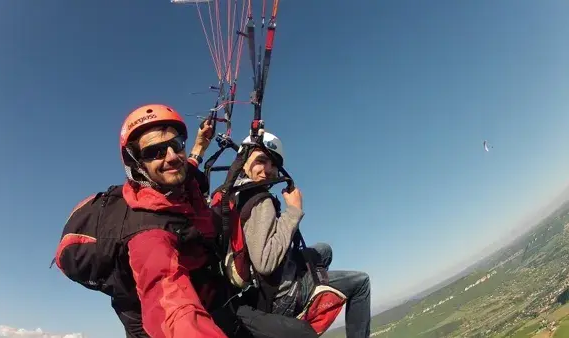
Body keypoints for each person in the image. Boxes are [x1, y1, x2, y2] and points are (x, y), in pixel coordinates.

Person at [54, 103, 228, 338]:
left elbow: (185, 170)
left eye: (176, 145)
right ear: (137, 164)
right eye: (155, 152)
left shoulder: (169, 183)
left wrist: (198, 148)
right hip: (145, 316)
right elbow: (172, 307)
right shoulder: (148, 235)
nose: (172, 157)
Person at [233, 132, 372, 338]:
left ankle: (315, 284)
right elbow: (265, 262)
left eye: (273, 165)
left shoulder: (237, 193)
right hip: (282, 295)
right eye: (261, 161)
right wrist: (293, 211)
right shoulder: (260, 201)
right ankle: (308, 298)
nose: (269, 170)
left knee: (324, 251)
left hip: (263, 283)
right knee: (361, 283)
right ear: (244, 161)